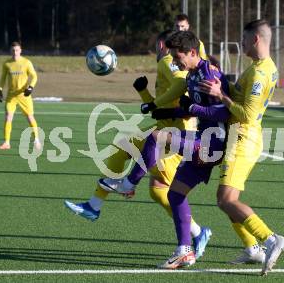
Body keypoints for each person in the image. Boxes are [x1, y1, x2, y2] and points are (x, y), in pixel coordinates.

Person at [64, 30, 212, 259]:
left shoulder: (166, 61)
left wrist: (165, 103)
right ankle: (198, 231)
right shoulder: (167, 63)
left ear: (160, 44)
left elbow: (181, 84)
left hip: (176, 136)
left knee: (134, 153)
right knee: (158, 190)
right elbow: (156, 109)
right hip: (165, 131)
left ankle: (104, 199)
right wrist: (144, 93)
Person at [98, 31, 232, 269]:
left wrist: (191, 108)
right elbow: (194, 109)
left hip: (213, 143)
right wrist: (170, 112)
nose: (175, 61)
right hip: (202, 139)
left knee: (156, 137)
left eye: (178, 56)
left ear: (192, 52)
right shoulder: (191, 76)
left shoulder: (208, 75)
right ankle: (185, 251)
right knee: (175, 195)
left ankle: (129, 184)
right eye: (171, 55)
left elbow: (223, 113)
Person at [198, 19, 284, 276]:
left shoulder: (259, 72)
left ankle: (271, 240)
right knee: (226, 199)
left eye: (245, 38)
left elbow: (247, 113)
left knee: (226, 199)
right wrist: (221, 85)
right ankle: (252, 247)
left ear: (256, 39)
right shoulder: (260, 67)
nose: (242, 43)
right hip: (243, 137)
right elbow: (241, 98)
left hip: (243, 137)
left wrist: (221, 96)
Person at [0, 41, 40, 150]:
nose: (15, 52)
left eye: (17, 50)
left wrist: (31, 87)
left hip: (23, 95)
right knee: (8, 117)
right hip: (11, 96)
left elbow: (34, 76)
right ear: (10, 51)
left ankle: (36, 140)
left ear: (20, 51)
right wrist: (0, 90)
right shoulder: (7, 63)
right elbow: (3, 78)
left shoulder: (26, 62)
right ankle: (7, 143)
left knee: (30, 117)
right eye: (13, 50)